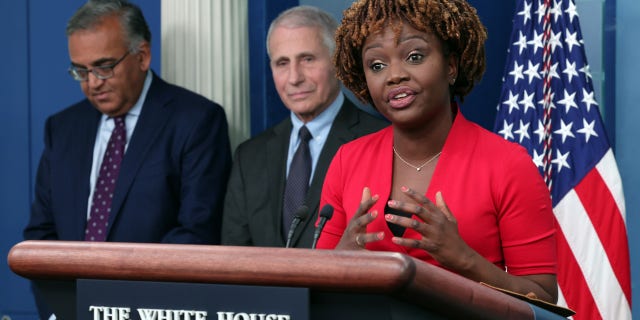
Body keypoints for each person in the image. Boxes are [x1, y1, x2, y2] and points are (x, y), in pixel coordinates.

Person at [316, 0, 558, 303]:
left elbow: (544, 299)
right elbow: (316, 284)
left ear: (451, 66)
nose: (394, 75)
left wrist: (464, 259)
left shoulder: (508, 165)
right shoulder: (347, 160)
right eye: (377, 65)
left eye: (414, 56)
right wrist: (340, 261)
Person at [24, 0, 231, 317]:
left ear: (143, 56)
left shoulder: (196, 121)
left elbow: (196, 234)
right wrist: (60, 311)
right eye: (81, 71)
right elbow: (40, 241)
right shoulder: (62, 128)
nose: (93, 83)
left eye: (104, 67)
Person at [222, 6, 387, 248]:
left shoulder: (379, 141)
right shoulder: (249, 157)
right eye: (282, 63)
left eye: (307, 59)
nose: (294, 77)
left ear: (337, 62)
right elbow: (232, 258)